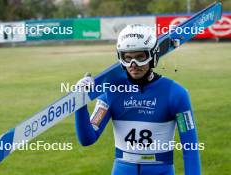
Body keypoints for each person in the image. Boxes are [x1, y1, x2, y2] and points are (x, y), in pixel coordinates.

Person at [74, 24, 201, 175]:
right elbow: (87, 138)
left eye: (140, 57)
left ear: (153, 55)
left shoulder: (176, 94)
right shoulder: (111, 92)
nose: (133, 65)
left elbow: (190, 148)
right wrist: (80, 101)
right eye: (127, 58)